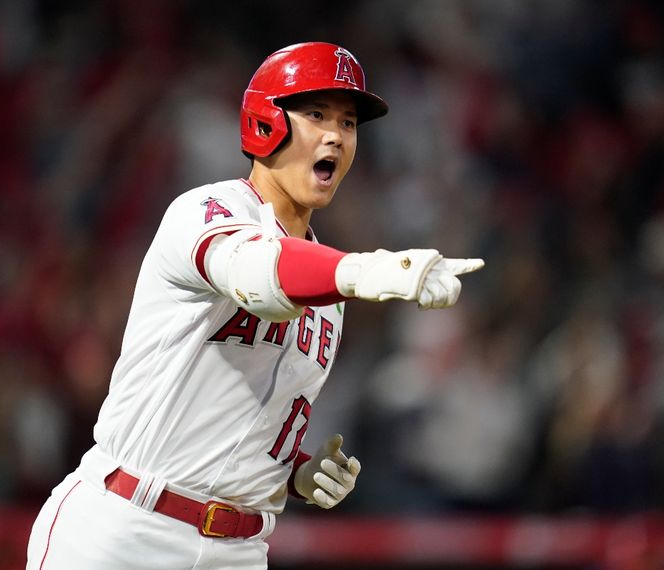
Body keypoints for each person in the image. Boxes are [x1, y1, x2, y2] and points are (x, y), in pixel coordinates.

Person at [26, 41, 484, 570]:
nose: (336, 134)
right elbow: (258, 277)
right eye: (316, 114)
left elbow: (246, 420)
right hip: (125, 527)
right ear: (266, 123)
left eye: (349, 123)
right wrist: (361, 270)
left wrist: (295, 474)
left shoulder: (329, 296)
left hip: (239, 550)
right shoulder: (205, 210)